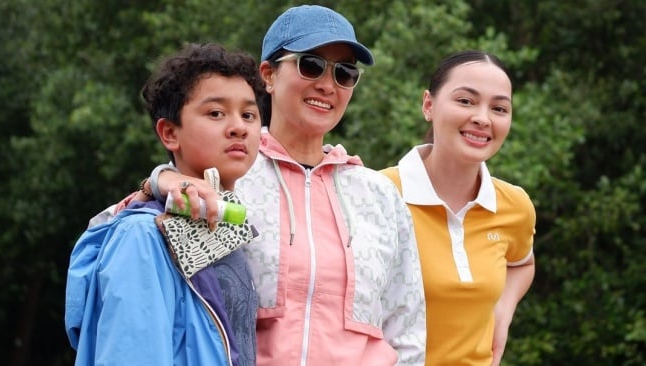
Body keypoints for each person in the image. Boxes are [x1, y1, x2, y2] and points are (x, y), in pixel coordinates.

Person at [127, 5, 426, 366]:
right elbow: (124, 235)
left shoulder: (379, 196)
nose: (327, 85)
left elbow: (407, 329)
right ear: (268, 74)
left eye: (345, 73)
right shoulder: (226, 173)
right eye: (311, 65)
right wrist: (161, 178)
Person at [65, 42, 264, 365]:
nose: (239, 127)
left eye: (249, 114)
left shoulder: (227, 230)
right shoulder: (143, 235)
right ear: (169, 133)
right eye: (216, 113)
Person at [380, 50, 537, 366]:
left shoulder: (514, 205)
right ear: (429, 105)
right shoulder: (377, 195)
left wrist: (502, 313)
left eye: (499, 108)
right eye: (466, 101)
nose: (483, 117)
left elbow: (521, 263)